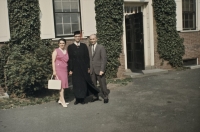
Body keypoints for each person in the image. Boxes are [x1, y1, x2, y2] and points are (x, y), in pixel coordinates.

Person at [68, 31, 99, 105]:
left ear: (80, 37)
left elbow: (86, 57)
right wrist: (70, 69)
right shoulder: (70, 47)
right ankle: (77, 99)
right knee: (76, 83)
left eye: (79, 36)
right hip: (75, 68)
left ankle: (83, 99)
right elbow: (70, 59)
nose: (77, 38)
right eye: (76, 36)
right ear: (74, 37)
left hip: (83, 68)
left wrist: (88, 67)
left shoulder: (84, 46)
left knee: (83, 83)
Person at [88, 34, 110, 103]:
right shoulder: (88, 47)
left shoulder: (101, 47)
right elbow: (88, 59)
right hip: (92, 69)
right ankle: (95, 96)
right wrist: (88, 68)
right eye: (91, 39)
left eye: (93, 39)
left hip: (99, 69)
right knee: (93, 83)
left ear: (96, 39)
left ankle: (105, 96)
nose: (92, 40)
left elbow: (104, 59)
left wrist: (102, 70)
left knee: (102, 83)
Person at [52, 38, 69, 108]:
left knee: (64, 85)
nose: (62, 44)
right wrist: (54, 71)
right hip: (58, 70)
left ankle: (60, 99)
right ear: (58, 44)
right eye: (60, 43)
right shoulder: (56, 51)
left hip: (64, 69)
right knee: (61, 86)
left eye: (63, 43)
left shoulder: (66, 51)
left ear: (65, 44)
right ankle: (63, 100)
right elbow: (53, 61)